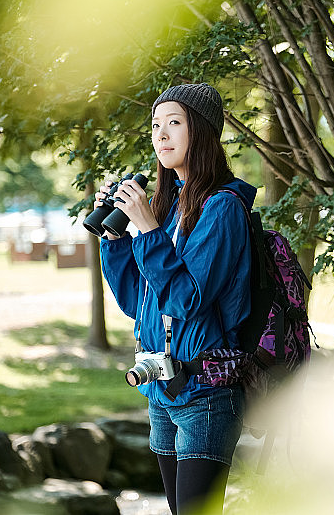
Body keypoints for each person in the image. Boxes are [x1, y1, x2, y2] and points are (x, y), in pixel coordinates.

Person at [95, 83, 256, 514]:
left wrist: (147, 231)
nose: (161, 134)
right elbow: (139, 302)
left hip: (205, 392)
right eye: (155, 125)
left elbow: (187, 300)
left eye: (174, 123)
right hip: (161, 389)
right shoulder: (169, 208)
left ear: (201, 131)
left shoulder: (222, 208)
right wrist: (115, 240)